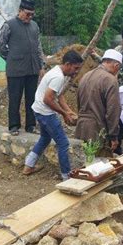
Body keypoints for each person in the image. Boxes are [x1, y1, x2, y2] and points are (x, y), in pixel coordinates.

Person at [23, 51, 83, 180]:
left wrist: (68, 110)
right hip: (45, 113)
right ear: (67, 64)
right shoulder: (58, 77)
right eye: (76, 68)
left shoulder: (58, 72)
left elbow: (59, 95)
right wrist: (63, 113)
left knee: (45, 138)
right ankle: (67, 176)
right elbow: (48, 99)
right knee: (63, 143)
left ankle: (29, 165)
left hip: (38, 110)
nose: (77, 71)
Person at [0, 0, 44, 136]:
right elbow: (0, 46)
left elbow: (38, 47)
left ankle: (30, 125)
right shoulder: (9, 25)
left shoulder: (34, 26)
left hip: (32, 68)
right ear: (20, 11)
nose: (29, 17)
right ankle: (14, 126)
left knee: (32, 98)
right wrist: (11, 58)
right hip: (15, 70)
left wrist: (41, 65)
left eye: (32, 15)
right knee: (15, 98)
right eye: (27, 14)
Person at [75, 49, 122, 156]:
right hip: (97, 131)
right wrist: (113, 136)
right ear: (116, 65)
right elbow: (113, 111)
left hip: (80, 128)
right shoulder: (110, 80)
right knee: (99, 167)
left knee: (83, 164)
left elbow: (78, 103)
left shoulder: (85, 76)